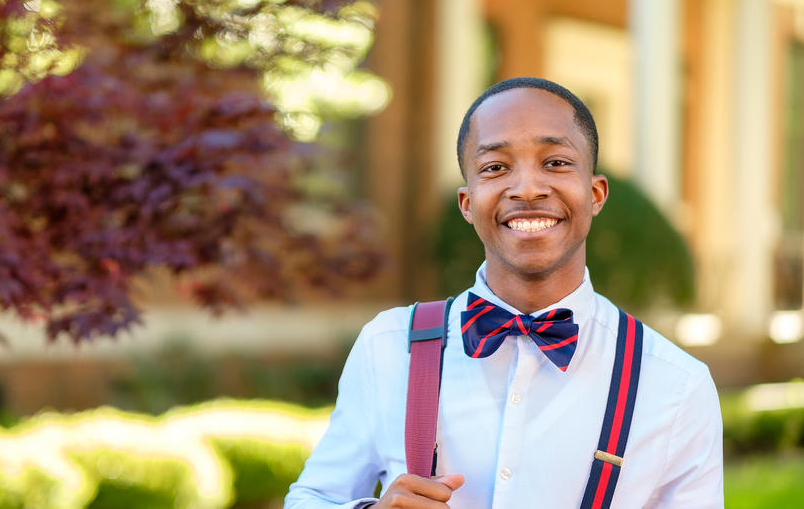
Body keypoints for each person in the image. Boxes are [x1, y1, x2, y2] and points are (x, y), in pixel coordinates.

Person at [283, 77, 724, 508]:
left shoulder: (676, 385)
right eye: (495, 167)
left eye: (555, 162)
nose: (528, 188)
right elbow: (311, 498)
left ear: (595, 194)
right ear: (468, 203)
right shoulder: (388, 346)